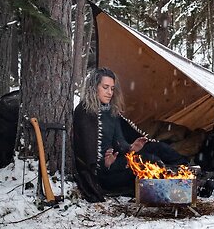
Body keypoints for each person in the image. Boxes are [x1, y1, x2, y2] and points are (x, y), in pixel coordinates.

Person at [73, 67, 188, 202]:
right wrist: (106, 164)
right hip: (103, 174)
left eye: (112, 88)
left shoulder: (111, 111)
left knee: (159, 148)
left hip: (116, 162)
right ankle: (178, 191)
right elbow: (85, 155)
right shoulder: (84, 111)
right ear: (94, 87)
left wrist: (132, 148)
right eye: (105, 87)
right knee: (149, 160)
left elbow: (120, 141)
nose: (110, 92)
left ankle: (189, 173)